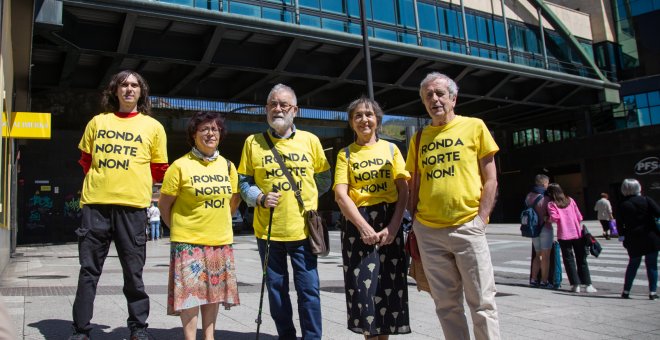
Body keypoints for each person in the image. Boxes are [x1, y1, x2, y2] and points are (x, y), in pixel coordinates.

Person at [70, 70, 169, 340]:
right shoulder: (97, 122)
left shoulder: (153, 127)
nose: (128, 89)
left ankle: (138, 328)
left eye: (134, 85)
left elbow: (159, 169)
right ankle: (80, 330)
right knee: (89, 271)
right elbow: (85, 161)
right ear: (115, 91)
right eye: (123, 85)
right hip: (96, 206)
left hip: (133, 208)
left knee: (133, 273)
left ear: (141, 92)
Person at [405, 72, 500, 340]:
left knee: (482, 303)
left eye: (439, 93)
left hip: (467, 226)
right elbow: (415, 183)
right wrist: (417, 225)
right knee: (446, 306)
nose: (434, 99)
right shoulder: (419, 138)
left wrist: (481, 219)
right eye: (428, 96)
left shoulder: (475, 126)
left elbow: (491, 178)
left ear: (453, 98)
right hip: (430, 232)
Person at [237, 83, 331, 339]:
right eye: (273, 104)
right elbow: (243, 182)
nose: (278, 109)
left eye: (284, 104)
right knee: (276, 290)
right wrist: (259, 198)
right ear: (266, 109)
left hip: (302, 231)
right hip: (268, 233)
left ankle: (312, 337)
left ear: (295, 110)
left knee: (309, 289)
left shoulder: (311, 141)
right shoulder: (252, 143)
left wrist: (305, 201)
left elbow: (324, 180)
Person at [158, 111, 242, 339]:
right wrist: (178, 228)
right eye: (204, 129)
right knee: (190, 296)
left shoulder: (228, 166)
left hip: (220, 240)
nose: (210, 133)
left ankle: (209, 336)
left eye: (214, 129)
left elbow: (233, 202)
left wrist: (218, 221)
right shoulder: (179, 166)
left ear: (220, 134)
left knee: (213, 294)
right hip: (188, 241)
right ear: (193, 134)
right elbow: (165, 205)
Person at [333, 97, 411, 338]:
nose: (364, 119)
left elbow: (403, 190)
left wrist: (394, 227)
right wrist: (363, 227)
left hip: (389, 224)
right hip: (358, 225)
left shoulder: (392, 149)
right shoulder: (345, 154)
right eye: (358, 115)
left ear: (377, 119)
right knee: (364, 296)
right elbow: (340, 194)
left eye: (369, 114)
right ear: (351, 123)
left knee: (388, 292)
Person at [546, 183, 597, 294]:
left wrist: (548, 219)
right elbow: (579, 216)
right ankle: (588, 284)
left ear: (551, 193)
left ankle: (575, 285)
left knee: (569, 260)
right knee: (581, 259)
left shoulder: (551, 204)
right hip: (577, 234)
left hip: (564, 235)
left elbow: (555, 218)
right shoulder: (570, 200)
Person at [617, 178, 660, 300]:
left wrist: (622, 236)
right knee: (652, 265)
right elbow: (658, 213)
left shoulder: (622, 204)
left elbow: (619, 223)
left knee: (633, 264)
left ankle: (626, 291)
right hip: (651, 236)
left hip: (633, 238)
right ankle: (652, 292)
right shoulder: (646, 200)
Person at [526, 174, 554, 288]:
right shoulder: (546, 198)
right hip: (545, 228)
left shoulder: (529, 196)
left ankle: (533, 279)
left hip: (533, 229)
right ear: (544, 184)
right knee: (546, 256)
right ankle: (544, 281)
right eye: (547, 183)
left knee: (537, 255)